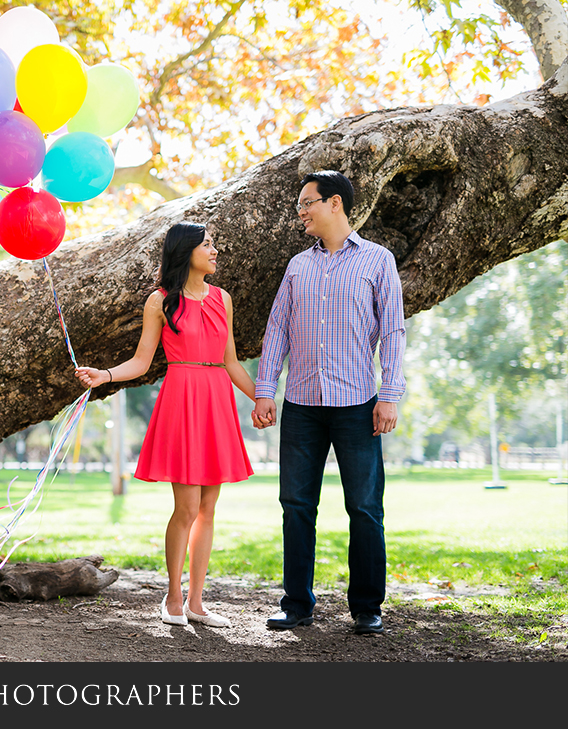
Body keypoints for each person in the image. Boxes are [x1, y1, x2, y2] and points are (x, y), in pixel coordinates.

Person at [75, 221, 259, 628]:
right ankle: (173, 597)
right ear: (186, 251)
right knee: (188, 507)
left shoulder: (223, 299)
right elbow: (142, 361)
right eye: (208, 244)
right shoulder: (160, 301)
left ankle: (197, 601)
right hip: (183, 398)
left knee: (209, 508)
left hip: (216, 399)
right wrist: (104, 375)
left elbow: (230, 362)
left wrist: (262, 398)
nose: (215, 252)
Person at [252, 170, 406, 635]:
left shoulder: (378, 261)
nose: (301, 211)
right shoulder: (299, 266)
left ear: (334, 203)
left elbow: (393, 332)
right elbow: (278, 328)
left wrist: (390, 395)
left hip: (358, 403)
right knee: (296, 505)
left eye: (307, 202)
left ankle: (366, 607)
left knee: (364, 506)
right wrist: (265, 389)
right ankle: (296, 603)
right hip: (301, 404)